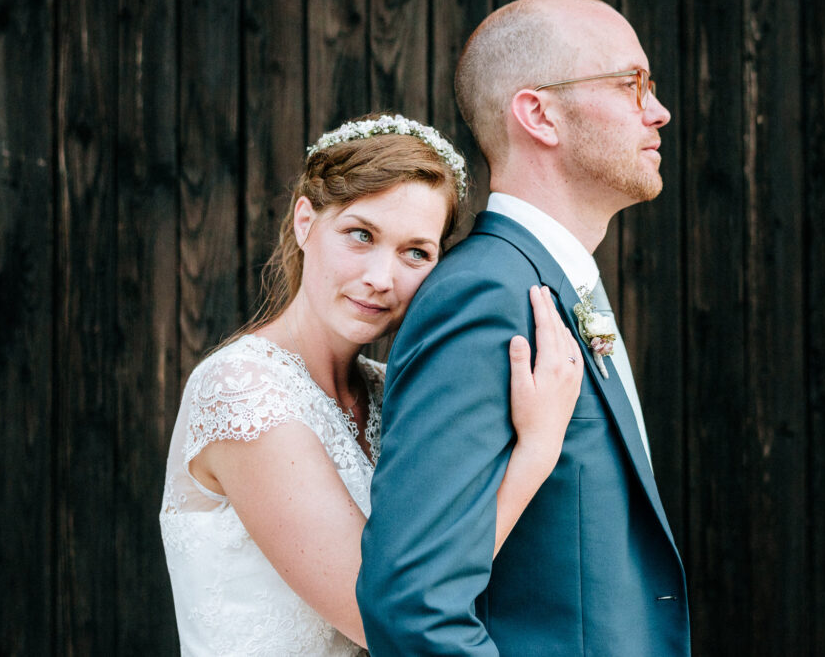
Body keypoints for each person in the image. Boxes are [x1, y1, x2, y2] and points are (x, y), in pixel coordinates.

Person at [159, 114, 584, 656]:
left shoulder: (388, 391)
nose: (383, 278)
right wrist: (536, 452)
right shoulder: (242, 390)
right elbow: (384, 616)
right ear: (305, 221)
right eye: (361, 235)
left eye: (416, 253)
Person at [357, 0, 691, 655]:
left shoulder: (556, 285)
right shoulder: (486, 295)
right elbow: (414, 603)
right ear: (539, 114)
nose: (658, 110)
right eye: (632, 84)